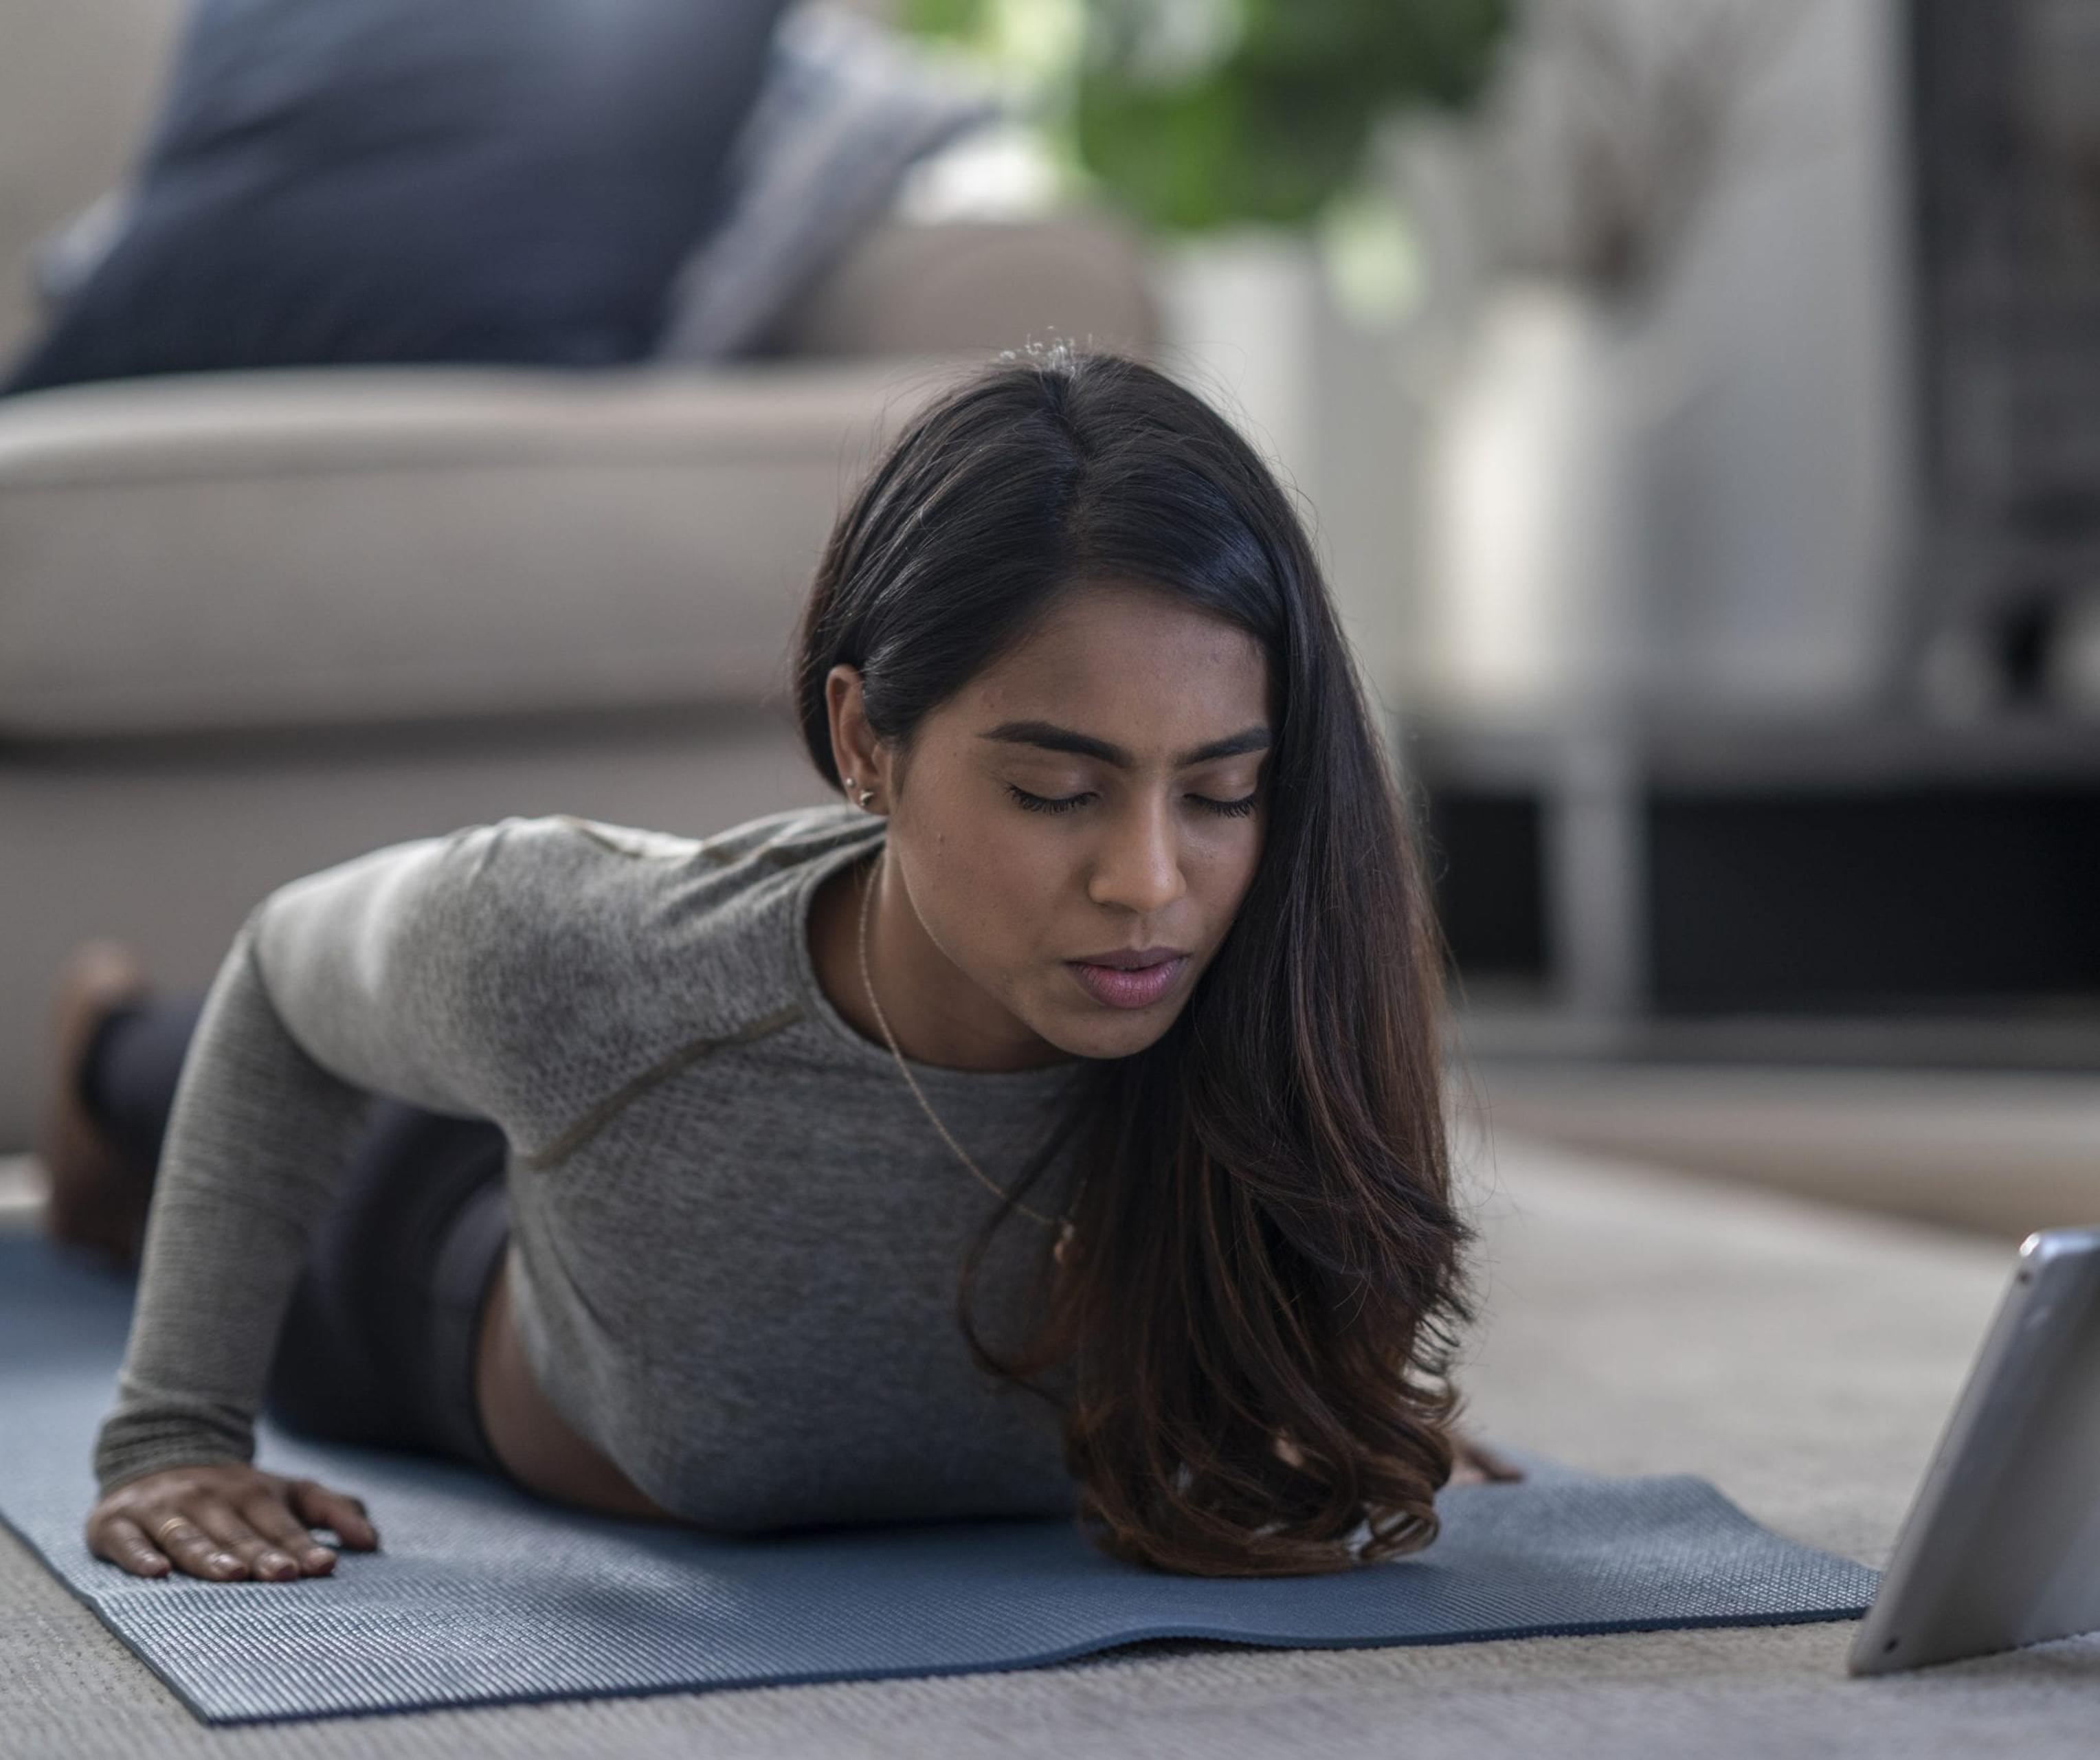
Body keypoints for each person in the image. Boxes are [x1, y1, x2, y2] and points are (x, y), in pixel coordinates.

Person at [36, 346, 1519, 1589]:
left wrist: (1300, 1392)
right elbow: (291, 974)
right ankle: (99, 1053)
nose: (1148, 882)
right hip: (428, 1271)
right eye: (1056, 793)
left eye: (1219, 791)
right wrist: (173, 1436)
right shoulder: (579, 956)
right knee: (191, 1089)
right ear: (867, 739)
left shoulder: (1279, 980)